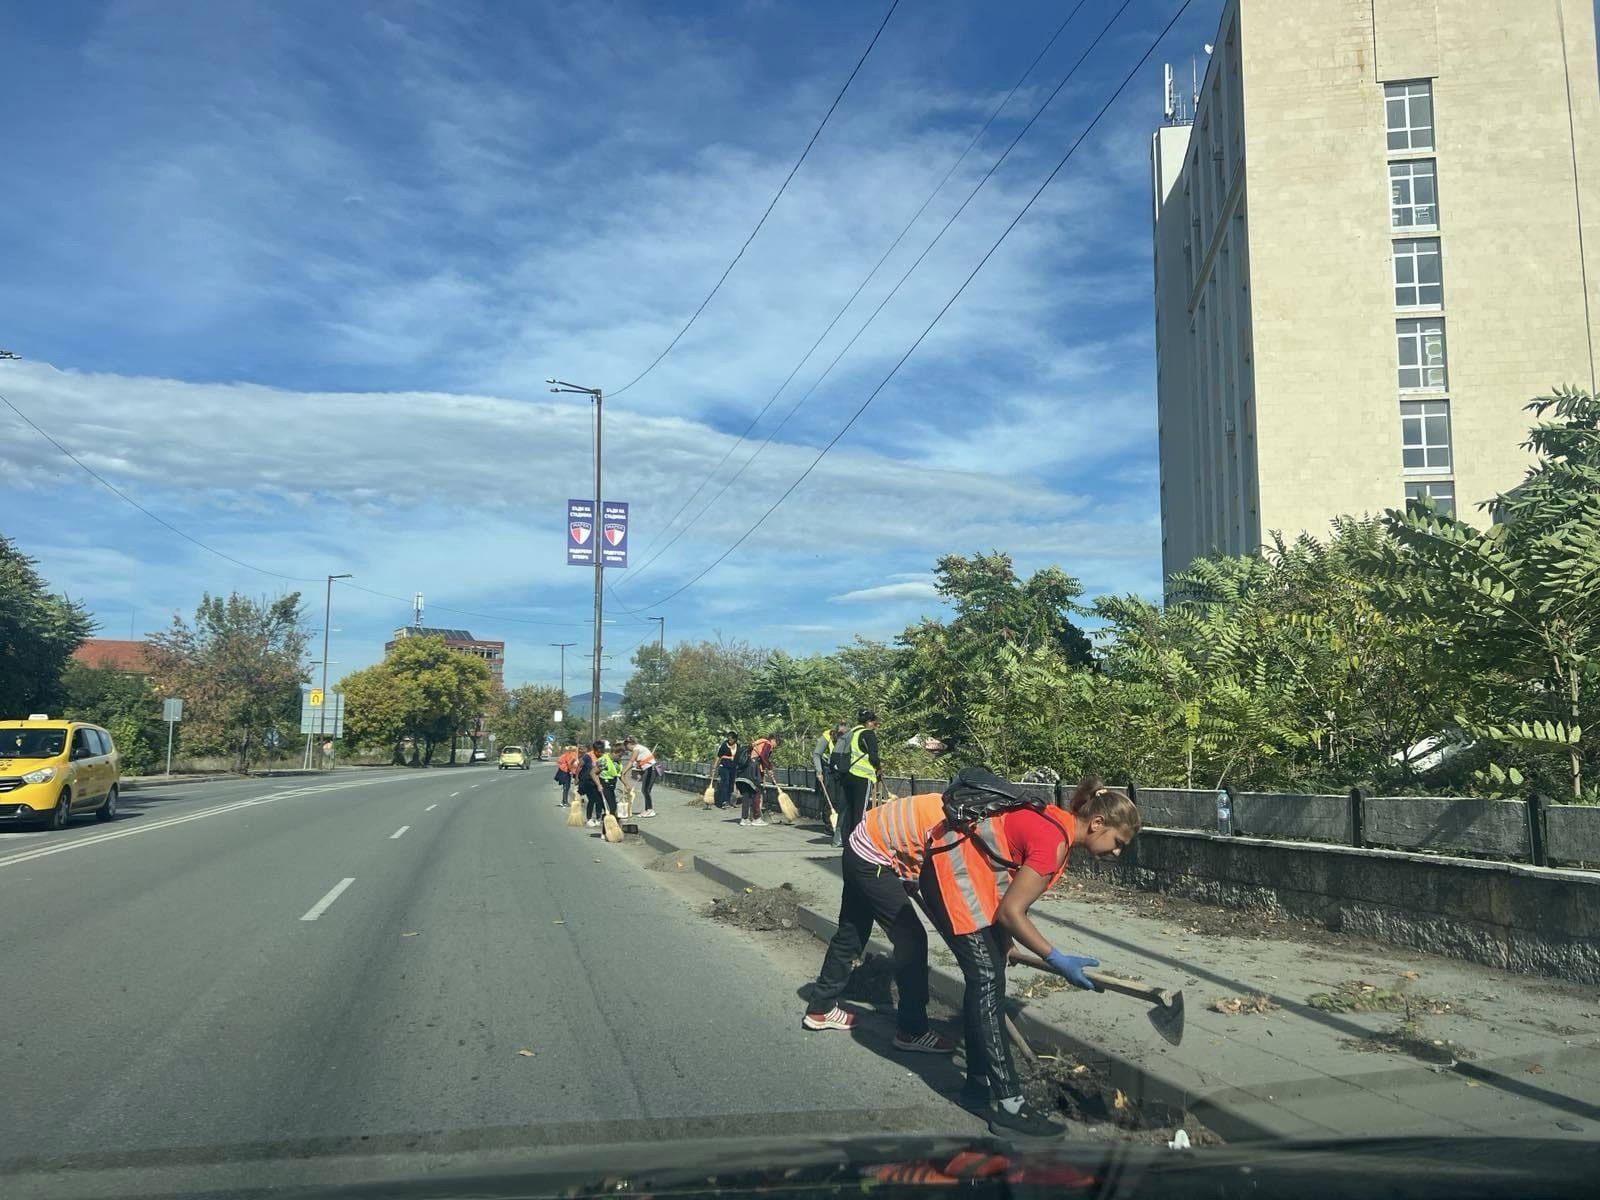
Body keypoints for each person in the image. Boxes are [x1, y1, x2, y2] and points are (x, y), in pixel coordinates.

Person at [806, 770, 1140, 1140]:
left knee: (984, 973)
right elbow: (1011, 911)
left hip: (941, 867)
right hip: (929, 869)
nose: (1117, 852)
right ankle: (1007, 1102)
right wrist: (1054, 957)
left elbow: (1001, 877)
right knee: (981, 977)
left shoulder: (1053, 824)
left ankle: (978, 1085)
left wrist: (1006, 944)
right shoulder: (1053, 839)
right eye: (1118, 842)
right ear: (1096, 823)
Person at [833, 709, 881, 844]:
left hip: (847, 775)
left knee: (849, 808)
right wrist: (878, 768)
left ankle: (847, 838)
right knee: (860, 810)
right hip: (862, 777)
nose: (874, 726)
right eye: (874, 723)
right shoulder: (869, 734)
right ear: (869, 722)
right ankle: (858, 841)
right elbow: (874, 757)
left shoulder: (851, 733)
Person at [814, 722, 848, 847]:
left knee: (840, 799)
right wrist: (819, 771)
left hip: (839, 771)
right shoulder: (827, 737)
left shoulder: (847, 738)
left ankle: (838, 826)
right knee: (830, 798)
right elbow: (817, 754)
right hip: (827, 770)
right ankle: (829, 826)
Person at [621, 736, 658, 818]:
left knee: (645, 790)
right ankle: (647, 809)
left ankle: (650, 810)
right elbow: (637, 764)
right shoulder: (639, 749)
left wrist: (624, 771)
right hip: (647, 769)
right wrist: (640, 772)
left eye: (627, 747)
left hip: (651, 769)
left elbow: (631, 761)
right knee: (645, 790)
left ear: (630, 744)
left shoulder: (636, 748)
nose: (627, 749)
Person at [577, 741, 605, 827]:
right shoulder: (587, 756)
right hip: (587, 781)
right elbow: (579, 766)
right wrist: (577, 778)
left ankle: (598, 818)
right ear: (594, 750)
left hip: (597, 781)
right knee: (592, 800)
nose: (600, 753)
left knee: (600, 800)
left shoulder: (603, 757)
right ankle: (589, 818)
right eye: (598, 752)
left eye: (601, 751)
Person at [714, 731, 738, 809]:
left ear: (735, 739)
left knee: (731, 784)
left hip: (733, 767)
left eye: (731, 739)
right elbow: (719, 756)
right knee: (725, 783)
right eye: (729, 739)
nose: (729, 741)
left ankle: (729, 801)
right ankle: (723, 802)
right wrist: (714, 767)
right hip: (724, 767)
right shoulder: (724, 745)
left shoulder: (738, 746)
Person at [597, 741, 621, 819]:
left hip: (612, 786)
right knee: (611, 808)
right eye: (619, 755)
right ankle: (608, 825)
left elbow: (620, 774)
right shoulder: (604, 760)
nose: (620, 758)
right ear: (614, 752)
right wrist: (599, 785)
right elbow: (593, 773)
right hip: (604, 785)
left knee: (613, 807)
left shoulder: (616, 763)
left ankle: (609, 825)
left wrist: (627, 785)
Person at [555, 744, 580, 809]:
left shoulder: (567, 754)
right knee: (566, 787)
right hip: (566, 772)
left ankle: (564, 801)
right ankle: (565, 802)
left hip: (562, 771)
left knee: (565, 787)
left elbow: (559, 761)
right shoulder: (573, 755)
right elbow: (569, 763)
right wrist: (571, 771)